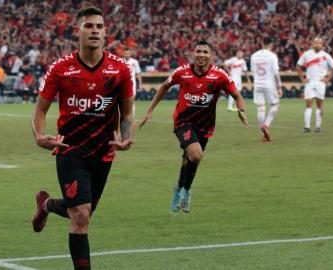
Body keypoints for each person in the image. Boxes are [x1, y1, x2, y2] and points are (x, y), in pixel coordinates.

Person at [31, 7, 134, 270]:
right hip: (70, 150)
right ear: (77, 31)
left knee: (81, 212)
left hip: (103, 153)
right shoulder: (61, 68)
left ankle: (46, 204)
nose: (95, 31)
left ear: (106, 32)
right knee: (80, 216)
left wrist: (126, 136)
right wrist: (39, 135)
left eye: (99, 27)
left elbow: (127, 112)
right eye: (89, 26)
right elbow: (40, 109)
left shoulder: (120, 69)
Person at [139, 40, 248, 213]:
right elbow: (164, 87)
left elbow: (237, 95)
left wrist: (241, 110)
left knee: (189, 160)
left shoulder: (219, 75)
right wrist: (150, 110)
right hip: (183, 122)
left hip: (205, 126)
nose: (201, 55)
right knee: (196, 156)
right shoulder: (182, 72)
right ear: (193, 54)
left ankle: (181, 190)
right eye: (198, 51)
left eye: (205, 52)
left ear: (211, 56)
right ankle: (187, 192)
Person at [296, 37, 333, 132]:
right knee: (308, 103)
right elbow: (298, 66)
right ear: (313, 43)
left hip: (320, 83)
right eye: (316, 42)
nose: (318, 44)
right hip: (310, 82)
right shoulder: (307, 54)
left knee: (319, 104)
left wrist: (328, 78)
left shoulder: (326, 55)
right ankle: (307, 127)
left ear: (322, 45)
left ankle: (318, 127)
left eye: (320, 43)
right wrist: (302, 78)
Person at [250, 36, 282, 142]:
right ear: (271, 45)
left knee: (260, 108)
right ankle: (266, 126)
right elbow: (276, 73)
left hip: (257, 83)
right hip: (269, 84)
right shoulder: (272, 56)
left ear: (262, 43)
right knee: (275, 105)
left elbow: (253, 71)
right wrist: (279, 87)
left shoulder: (254, 56)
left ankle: (263, 134)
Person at [123, 47, 142, 115]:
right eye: (126, 53)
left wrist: (140, 84)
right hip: (123, 84)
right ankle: (124, 116)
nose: (127, 54)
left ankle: (131, 117)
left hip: (132, 83)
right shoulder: (120, 61)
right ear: (123, 54)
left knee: (131, 101)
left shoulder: (134, 62)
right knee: (123, 101)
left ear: (130, 54)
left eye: (128, 53)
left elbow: (138, 73)